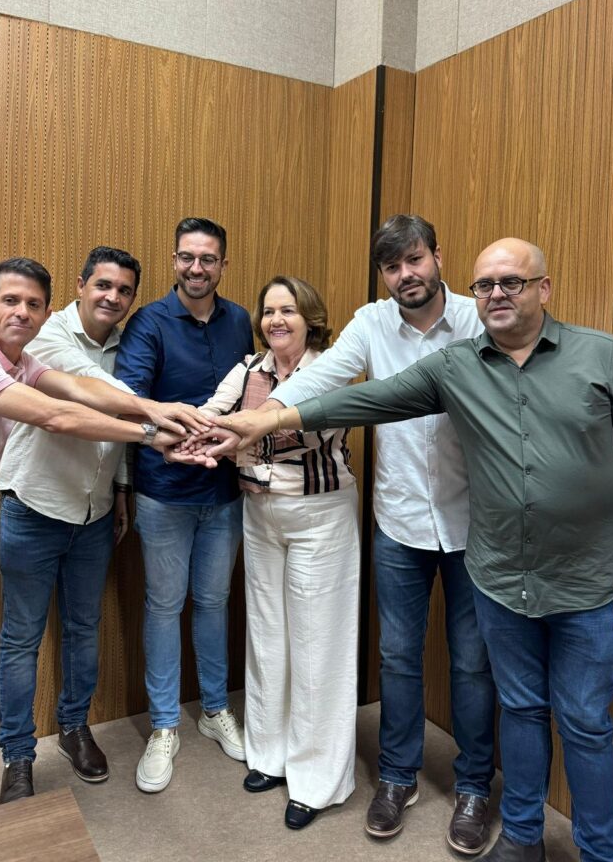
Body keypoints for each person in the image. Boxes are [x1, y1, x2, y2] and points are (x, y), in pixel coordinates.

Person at [216, 238, 613, 862]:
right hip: (496, 571)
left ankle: (597, 851)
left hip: (584, 577)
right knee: (518, 707)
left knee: (583, 720)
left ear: (544, 288)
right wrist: (269, 418)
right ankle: (519, 837)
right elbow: (367, 398)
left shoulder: (598, 355)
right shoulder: (456, 365)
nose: (497, 295)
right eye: (486, 285)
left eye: (511, 282)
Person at [0, 257, 205, 838]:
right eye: (10, 301)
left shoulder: (23, 363)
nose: (22, 312)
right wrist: (151, 434)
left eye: (33, 304)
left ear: (45, 310)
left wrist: (154, 408)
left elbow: (79, 387)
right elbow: (58, 415)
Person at [247, 216, 496, 852]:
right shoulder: (372, 323)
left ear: (438, 257)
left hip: (474, 524)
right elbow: (322, 378)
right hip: (399, 522)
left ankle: (473, 787)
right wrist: (265, 415)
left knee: (472, 663)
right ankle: (396, 777)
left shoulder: (475, 319)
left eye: (414, 260)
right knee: (398, 658)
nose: (405, 275)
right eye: (392, 267)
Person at [189, 276, 359, 830]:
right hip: (259, 514)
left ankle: (315, 780)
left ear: (311, 318)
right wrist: (188, 431)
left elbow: (303, 433)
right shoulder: (248, 370)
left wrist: (238, 438)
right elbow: (212, 412)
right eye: (268, 311)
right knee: (266, 636)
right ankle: (269, 755)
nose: (276, 320)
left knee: (316, 643)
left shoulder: (329, 369)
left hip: (319, 515)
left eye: (288, 310)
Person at [0, 247, 142, 804]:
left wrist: (122, 489)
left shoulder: (130, 345)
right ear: (80, 286)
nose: (112, 297)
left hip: (95, 512)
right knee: (20, 639)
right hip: (34, 506)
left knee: (84, 628)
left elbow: (119, 430)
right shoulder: (47, 332)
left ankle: (74, 728)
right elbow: (91, 391)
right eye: (103, 285)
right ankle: (17, 756)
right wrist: (164, 416)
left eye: (124, 290)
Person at [114, 218, 254, 794]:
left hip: (223, 493)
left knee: (215, 603)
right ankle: (165, 725)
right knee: (164, 605)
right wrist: (176, 432)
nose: (197, 268)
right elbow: (129, 400)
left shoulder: (241, 320)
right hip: (164, 492)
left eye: (208, 259)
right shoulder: (149, 321)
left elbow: (250, 393)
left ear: (223, 265)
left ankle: (215, 710)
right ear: (175, 261)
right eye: (187, 258)